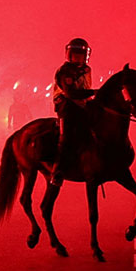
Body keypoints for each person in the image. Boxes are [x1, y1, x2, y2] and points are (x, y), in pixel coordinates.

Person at [53, 36, 96, 178]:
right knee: (67, 135)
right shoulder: (66, 71)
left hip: (83, 105)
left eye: (80, 55)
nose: (77, 58)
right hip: (66, 105)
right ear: (69, 55)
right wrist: (94, 92)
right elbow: (71, 93)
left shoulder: (86, 70)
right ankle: (58, 169)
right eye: (75, 55)